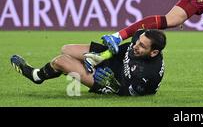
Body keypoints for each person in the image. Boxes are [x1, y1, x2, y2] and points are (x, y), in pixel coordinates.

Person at [10, 29, 166, 96]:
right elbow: (126, 45)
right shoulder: (141, 37)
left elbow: (131, 94)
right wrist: (102, 55)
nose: (135, 46)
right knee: (66, 49)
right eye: (138, 41)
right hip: (111, 59)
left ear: (154, 53)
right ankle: (87, 63)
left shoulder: (146, 73)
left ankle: (36, 76)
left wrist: (112, 85)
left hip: (109, 80)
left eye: (142, 46)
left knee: (61, 61)